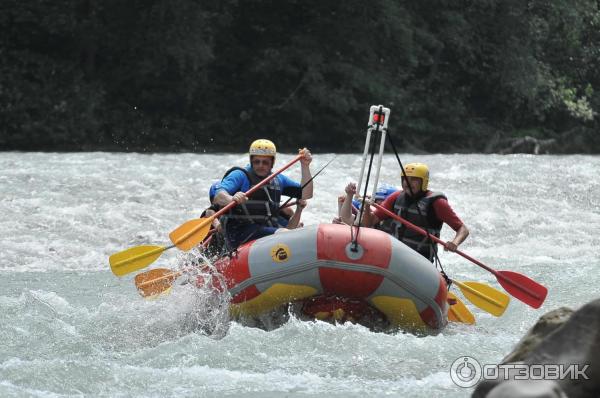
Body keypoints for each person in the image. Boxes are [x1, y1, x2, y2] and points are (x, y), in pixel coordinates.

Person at [345, 163, 469, 262]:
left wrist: (454, 243)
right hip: (394, 255)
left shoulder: (437, 202)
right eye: (405, 179)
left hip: (420, 259)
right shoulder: (396, 197)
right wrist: (367, 207)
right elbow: (369, 222)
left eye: (413, 179)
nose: (407, 183)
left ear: (423, 182)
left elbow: (462, 229)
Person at [213, 139, 313, 249]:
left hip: (265, 233)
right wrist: (231, 198)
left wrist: (305, 166)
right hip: (240, 234)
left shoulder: (278, 180)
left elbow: (305, 194)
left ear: (272, 163)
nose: (261, 165)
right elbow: (218, 196)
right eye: (257, 161)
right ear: (251, 161)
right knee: (286, 234)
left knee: (292, 232)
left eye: (265, 162)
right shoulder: (239, 175)